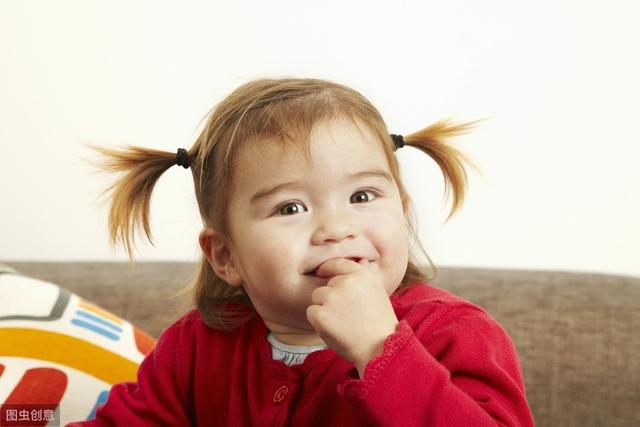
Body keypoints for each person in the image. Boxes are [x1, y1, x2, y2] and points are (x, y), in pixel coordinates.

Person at [68, 77, 534, 426]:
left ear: (404, 211)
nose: (336, 228)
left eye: (363, 196)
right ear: (225, 256)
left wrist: (380, 349)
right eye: (290, 207)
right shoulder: (194, 347)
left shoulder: (456, 334)